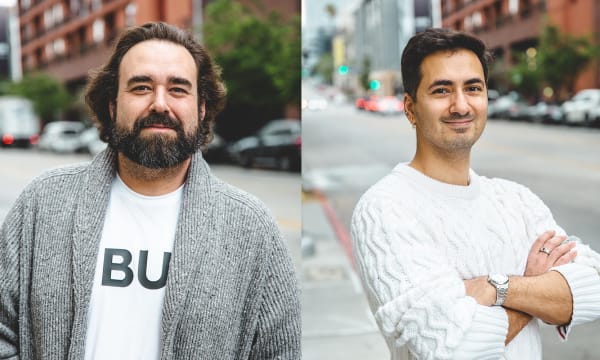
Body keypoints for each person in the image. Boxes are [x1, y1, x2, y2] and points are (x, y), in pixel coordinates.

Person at [0, 22, 300, 359]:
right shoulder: (43, 204)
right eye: (141, 87)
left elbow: (280, 351)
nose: (159, 103)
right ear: (112, 106)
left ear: (201, 110)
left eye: (178, 89)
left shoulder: (250, 226)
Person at [351, 28, 600, 360]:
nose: (461, 105)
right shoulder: (384, 210)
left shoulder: (516, 200)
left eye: (473, 88)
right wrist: (532, 285)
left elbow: (592, 286)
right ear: (410, 108)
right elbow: (457, 348)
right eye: (441, 90)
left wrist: (494, 287)